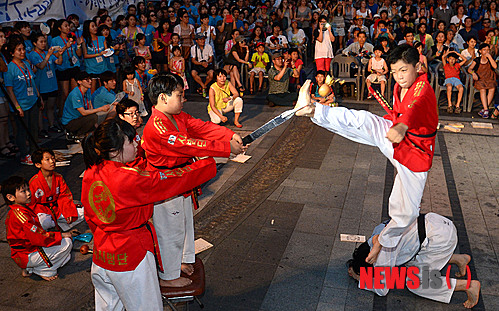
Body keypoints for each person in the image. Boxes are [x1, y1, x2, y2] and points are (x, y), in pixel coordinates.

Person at [295, 44, 438, 255]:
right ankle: (313, 109)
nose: (399, 77)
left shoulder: (421, 87)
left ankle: (383, 242)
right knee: (363, 120)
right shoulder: (400, 85)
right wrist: (397, 124)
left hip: (415, 154)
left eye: (404, 70)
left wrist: (402, 125)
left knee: (405, 212)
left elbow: (415, 106)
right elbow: (400, 112)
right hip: (395, 135)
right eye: (395, 71)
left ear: (417, 66)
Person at [81, 119, 217, 310]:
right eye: (130, 141)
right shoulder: (128, 178)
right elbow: (173, 180)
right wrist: (209, 162)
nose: (136, 143)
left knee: (109, 307)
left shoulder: (92, 171)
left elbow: (90, 216)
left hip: (103, 254)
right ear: (114, 151)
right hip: (131, 255)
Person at [141, 73, 245, 287]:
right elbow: (189, 144)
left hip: (182, 179)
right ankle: (168, 276)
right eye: (179, 95)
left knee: (185, 223)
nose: (183, 100)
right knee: (170, 229)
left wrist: (227, 135)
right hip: (165, 184)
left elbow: (201, 127)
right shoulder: (157, 126)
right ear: (163, 98)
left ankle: (180, 261)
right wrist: (226, 148)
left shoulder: (177, 116)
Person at [346, 212, 481, 309]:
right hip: (439, 223)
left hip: (440, 240)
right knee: (408, 257)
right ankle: (459, 259)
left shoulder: (383, 255)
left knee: (415, 282)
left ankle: (467, 286)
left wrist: (360, 278)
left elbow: (383, 290)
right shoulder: (376, 234)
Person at [2, 176, 72, 281]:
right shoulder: (21, 215)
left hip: (25, 252)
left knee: (67, 257)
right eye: (23, 191)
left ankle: (31, 267)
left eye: (27, 189)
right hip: (28, 253)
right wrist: (60, 235)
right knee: (67, 243)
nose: (29, 193)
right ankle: (42, 270)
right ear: (11, 197)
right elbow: (38, 237)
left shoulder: (18, 210)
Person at [4, 37, 42, 165]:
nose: (22, 52)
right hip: (21, 104)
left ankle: (34, 152)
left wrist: (38, 96)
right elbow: (10, 90)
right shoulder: (10, 68)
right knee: (22, 130)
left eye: (23, 49)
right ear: (12, 53)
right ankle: (24, 155)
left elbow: (32, 81)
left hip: (32, 101)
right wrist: (17, 106)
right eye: (19, 50)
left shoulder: (26, 64)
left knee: (34, 128)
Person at [29, 148, 82, 231]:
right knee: (44, 222)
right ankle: (55, 224)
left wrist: (68, 212)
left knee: (83, 213)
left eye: (53, 158)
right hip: (43, 212)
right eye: (47, 159)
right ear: (38, 164)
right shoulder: (34, 182)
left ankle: (57, 224)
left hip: (57, 208)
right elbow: (31, 204)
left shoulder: (58, 177)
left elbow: (64, 196)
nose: (52, 161)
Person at [28, 33, 62, 137]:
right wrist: (48, 55)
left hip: (52, 84)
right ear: (34, 43)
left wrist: (60, 53)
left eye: (44, 42)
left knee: (51, 107)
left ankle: (51, 126)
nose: (43, 44)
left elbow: (59, 62)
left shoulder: (47, 52)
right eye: (41, 42)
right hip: (41, 86)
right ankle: (41, 129)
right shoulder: (32, 55)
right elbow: (41, 66)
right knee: (40, 109)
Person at [61, 70, 110, 136]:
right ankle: (77, 134)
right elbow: (83, 112)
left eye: (90, 79)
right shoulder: (75, 94)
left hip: (79, 118)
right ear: (79, 82)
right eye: (87, 80)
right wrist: (101, 109)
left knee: (95, 120)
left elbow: (90, 106)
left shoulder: (88, 90)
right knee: (93, 117)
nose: (90, 81)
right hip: (70, 121)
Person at [468, 43, 497, 119]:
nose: (486, 51)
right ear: (480, 51)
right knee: (483, 89)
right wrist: (473, 73)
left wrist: (490, 57)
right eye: (484, 50)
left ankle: (484, 109)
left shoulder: (490, 59)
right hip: (480, 79)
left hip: (489, 79)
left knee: (492, 88)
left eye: (488, 50)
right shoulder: (477, 60)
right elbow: (469, 69)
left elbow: (495, 66)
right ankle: (486, 109)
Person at [82, 20, 109, 93]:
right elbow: (85, 55)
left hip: (103, 67)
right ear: (87, 28)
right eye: (92, 26)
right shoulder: (85, 40)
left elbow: (106, 52)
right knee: (92, 91)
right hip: (91, 69)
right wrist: (99, 54)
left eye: (95, 26)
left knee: (103, 91)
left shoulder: (102, 38)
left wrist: (110, 51)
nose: (95, 28)